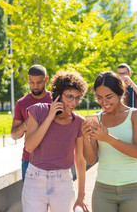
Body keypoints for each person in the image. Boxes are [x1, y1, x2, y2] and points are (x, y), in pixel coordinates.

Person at [82, 71, 137, 212]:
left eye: (109, 97)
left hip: (135, 188)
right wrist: (84, 137)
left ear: (121, 93)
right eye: (99, 98)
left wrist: (107, 138)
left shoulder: (136, 115)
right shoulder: (96, 119)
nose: (104, 103)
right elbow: (90, 159)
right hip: (103, 189)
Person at [22, 70, 89, 212]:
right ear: (58, 95)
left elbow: (80, 159)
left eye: (78, 98)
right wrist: (49, 118)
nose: (74, 102)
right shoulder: (38, 111)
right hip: (35, 180)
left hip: (63, 182)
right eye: (69, 97)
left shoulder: (78, 122)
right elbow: (29, 147)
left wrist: (81, 196)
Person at [11, 64, 52, 182]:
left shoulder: (55, 100)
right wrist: (25, 124)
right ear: (28, 79)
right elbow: (14, 135)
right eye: (31, 82)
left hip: (53, 160)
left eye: (39, 82)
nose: (35, 86)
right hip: (29, 160)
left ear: (46, 79)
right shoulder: (21, 103)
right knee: (30, 200)